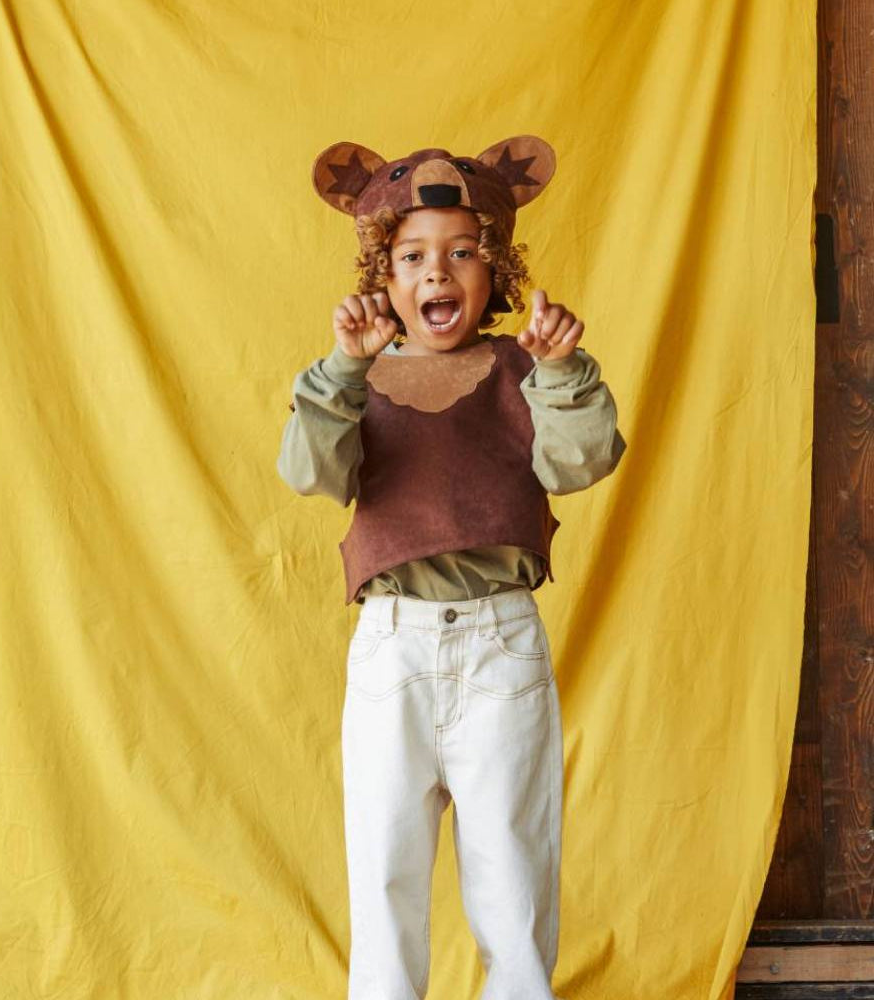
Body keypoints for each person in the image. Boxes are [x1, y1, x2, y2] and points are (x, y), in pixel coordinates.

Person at [276, 136, 626, 1000]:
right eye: (414, 255)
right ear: (384, 277)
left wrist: (563, 371)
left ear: (495, 270)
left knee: (512, 880)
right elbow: (310, 471)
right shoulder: (356, 379)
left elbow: (579, 466)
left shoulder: (522, 370)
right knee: (385, 879)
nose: (440, 272)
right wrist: (343, 370)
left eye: (463, 252)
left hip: (500, 644)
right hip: (393, 652)